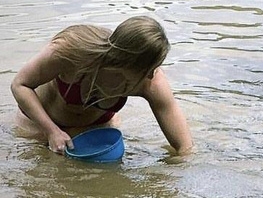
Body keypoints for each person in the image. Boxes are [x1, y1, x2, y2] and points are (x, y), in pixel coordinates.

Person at [11, 15, 193, 156]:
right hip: (38, 125)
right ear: (128, 58)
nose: (152, 74)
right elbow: (20, 85)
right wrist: (51, 131)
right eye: (147, 68)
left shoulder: (150, 81)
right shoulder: (70, 52)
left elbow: (185, 148)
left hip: (96, 133)